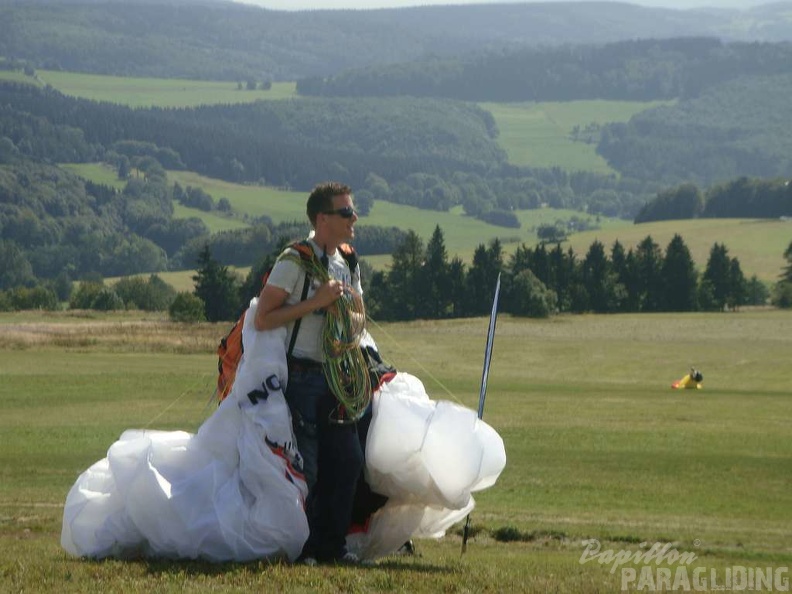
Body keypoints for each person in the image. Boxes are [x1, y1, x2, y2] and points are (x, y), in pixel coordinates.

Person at [253, 181, 368, 565]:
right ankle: (303, 549)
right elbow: (264, 318)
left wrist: (345, 311)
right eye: (346, 212)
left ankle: (332, 547)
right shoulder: (295, 260)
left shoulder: (348, 262)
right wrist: (317, 303)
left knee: (348, 460)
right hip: (301, 375)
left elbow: (359, 316)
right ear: (323, 219)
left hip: (339, 377)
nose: (354, 218)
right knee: (309, 466)